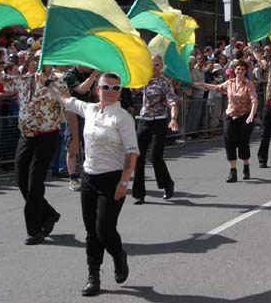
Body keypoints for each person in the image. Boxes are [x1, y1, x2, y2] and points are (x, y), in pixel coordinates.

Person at [49, 72, 139, 297]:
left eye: (116, 88)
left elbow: (132, 152)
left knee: (104, 229)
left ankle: (119, 255)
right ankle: (94, 277)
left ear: (120, 92)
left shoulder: (122, 118)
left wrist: (124, 181)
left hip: (113, 179)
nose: (110, 91)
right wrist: (48, 80)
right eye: (106, 87)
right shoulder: (89, 109)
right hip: (89, 177)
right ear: (97, 89)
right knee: (91, 232)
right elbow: (67, 100)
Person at [0, 51, 65, 245]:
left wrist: (75, 138)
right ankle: (49, 213)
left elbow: (67, 105)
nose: (36, 63)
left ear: (50, 64)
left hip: (47, 136)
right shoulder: (22, 80)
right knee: (21, 180)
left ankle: (35, 229)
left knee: (35, 183)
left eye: (42, 61)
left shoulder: (57, 84)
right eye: (34, 60)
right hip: (26, 136)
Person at [195, 60, 258, 182]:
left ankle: (246, 165)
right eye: (238, 69)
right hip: (230, 115)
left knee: (243, 142)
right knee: (229, 141)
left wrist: (251, 115)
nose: (239, 71)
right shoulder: (230, 82)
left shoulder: (248, 84)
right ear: (234, 70)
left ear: (245, 71)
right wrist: (203, 84)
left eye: (242, 69)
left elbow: (254, 101)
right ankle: (233, 171)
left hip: (245, 116)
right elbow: (218, 88)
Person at [132, 55, 179, 204]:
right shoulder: (143, 79)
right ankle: (139, 193)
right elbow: (133, 88)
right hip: (144, 121)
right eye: (151, 64)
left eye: (156, 64)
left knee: (155, 157)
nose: (153, 67)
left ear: (161, 66)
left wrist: (173, 119)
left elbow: (173, 102)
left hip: (159, 122)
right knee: (138, 157)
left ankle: (167, 184)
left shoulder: (165, 82)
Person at [63, 65, 99, 191]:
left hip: (89, 115)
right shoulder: (69, 75)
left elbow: (94, 93)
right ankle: (73, 178)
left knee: (90, 146)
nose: (91, 67)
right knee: (73, 146)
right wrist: (93, 75)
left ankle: (90, 176)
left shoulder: (89, 75)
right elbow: (81, 89)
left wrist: (97, 80)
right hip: (73, 115)